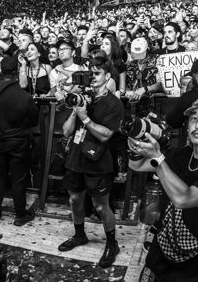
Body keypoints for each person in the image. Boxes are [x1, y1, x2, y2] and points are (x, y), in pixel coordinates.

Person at [129, 95, 198, 281]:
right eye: (193, 118)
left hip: (195, 267)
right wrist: (135, 147)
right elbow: (137, 166)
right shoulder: (181, 155)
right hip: (161, 254)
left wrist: (158, 158)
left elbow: (183, 199)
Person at [57, 54, 124, 268]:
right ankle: (79, 235)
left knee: (100, 205)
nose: (92, 78)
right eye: (89, 74)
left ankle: (112, 244)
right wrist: (76, 112)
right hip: (76, 156)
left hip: (99, 159)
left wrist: (85, 118)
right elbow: (67, 132)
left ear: (107, 76)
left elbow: (105, 135)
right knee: (75, 200)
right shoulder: (82, 97)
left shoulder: (114, 104)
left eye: (97, 74)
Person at [0, 54, 38, 228]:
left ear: (1, 69)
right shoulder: (24, 96)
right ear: (16, 72)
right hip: (20, 140)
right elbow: (34, 120)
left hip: (1, 137)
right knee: (18, 178)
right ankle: (20, 215)